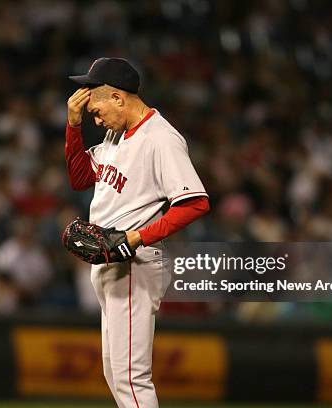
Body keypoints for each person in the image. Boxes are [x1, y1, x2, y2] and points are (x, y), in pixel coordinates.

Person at [65, 57, 210, 408]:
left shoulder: (161, 138)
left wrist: (136, 237)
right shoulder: (115, 133)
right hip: (111, 261)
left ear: (118, 98)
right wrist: (72, 128)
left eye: (96, 110)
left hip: (134, 261)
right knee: (115, 372)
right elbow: (81, 178)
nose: (94, 118)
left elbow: (195, 204)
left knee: (131, 376)